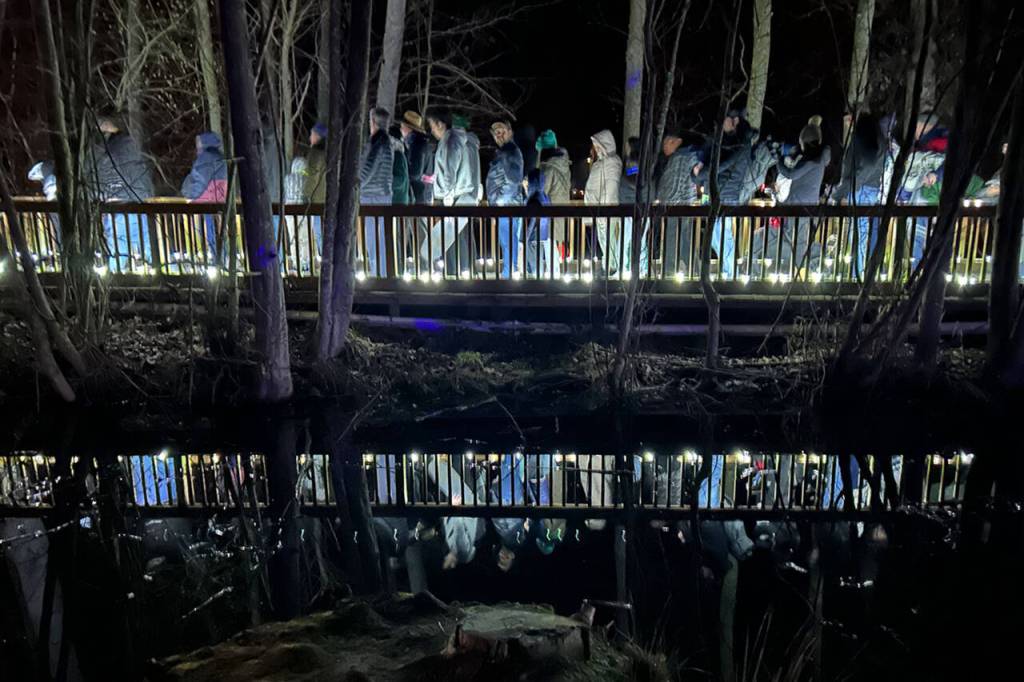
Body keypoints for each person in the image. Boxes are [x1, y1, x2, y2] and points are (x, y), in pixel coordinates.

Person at [695, 109, 756, 278]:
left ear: (735, 121)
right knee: (715, 236)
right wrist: (700, 170)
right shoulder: (723, 141)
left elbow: (721, 166)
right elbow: (707, 159)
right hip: (713, 193)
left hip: (726, 194)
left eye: (725, 120)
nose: (721, 124)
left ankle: (731, 273)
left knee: (721, 235)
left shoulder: (741, 143)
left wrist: (702, 172)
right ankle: (730, 271)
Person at [769, 115, 831, 276]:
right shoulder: (818, 159)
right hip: (805, 205)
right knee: (797, 241)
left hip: (799, 207)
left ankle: (797, 274)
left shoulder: (812, 162)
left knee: (798, 243)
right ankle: (796, 271)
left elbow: (790, 173)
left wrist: (778, 160)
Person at [93, 115, 153, 271]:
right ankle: (154, 274)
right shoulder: (131, 148)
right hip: (139, 202)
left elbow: (103, 177)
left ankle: (117, 278)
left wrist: (100, 195)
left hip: (118, 203)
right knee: (145, 242)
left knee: (119, 247)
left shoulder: (109, 152)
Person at [422, 108, 477, 275]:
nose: (431, 130)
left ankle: (454, 274)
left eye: (432, 125)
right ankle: (464, 271)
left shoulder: (450, 141)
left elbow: (450, 172)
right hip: (460, 197)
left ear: (440, 124)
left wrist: (447, 198)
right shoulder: (460, 141)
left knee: (450, 240)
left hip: (453, 199)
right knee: (457, 238)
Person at [834, 111, 886, 275]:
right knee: (858, 232)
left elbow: (864, 167)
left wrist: (842, 191)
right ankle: (856, 272)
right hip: (867, 189)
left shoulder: (865, 140)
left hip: (861, 189)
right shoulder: (877, 140)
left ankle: (857, 274)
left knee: (858, 232)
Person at [656, 127, 700, 277]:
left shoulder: (679, 159)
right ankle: (695, 271)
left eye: (668, 142)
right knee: (685, 239)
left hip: (676, 206)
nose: (665, 146)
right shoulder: (688, 156)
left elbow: (673, 186)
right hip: (685, 205)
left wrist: (663, 200)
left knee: (672, 239)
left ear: (678, 142)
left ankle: (669, 273)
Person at [181, 131, 228, 267]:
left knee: (210, 232)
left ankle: (217, 262)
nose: (196, 145)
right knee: (217, 232)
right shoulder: (219, 157)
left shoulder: (206, 158)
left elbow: (198, 180)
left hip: (207, 201)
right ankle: (221, 259)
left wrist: (190, 195)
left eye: (198, 142)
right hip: (218, 200)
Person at [359, 107, 395, 276]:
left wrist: (355, 184)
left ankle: (378, 274)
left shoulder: (378, 141)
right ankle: (380, 272)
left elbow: (368, 169)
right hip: (381, 194)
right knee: (379, 237)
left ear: (373, 122)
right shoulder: (385, 141)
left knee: (374, 239)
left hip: (373, 195)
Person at [486, 120, 525, 278]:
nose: (499, 135)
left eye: (501, 131)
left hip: (507, 205)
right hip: (507, 204)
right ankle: (511, 271)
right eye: (496, 133)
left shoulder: (510, 152)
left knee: (507, 241)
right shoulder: (506, 151)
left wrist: (498, 201)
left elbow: (513, 181)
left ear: (510, 132)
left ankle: (508, 274)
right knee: (509, 240)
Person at [584, 129, 623, 274]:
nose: (596, 148)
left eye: (598, 144)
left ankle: (611, 269)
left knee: (609, 240)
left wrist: (606, 209)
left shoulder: (612, 163)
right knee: (604, 240)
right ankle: (609, 268)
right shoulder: (601, 163)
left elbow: (611, 187)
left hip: (606, 210)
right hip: (599, 209)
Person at [536, 129, 571, 274]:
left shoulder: (548, 168)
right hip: (560, 210)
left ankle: (553, 276)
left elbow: (541, 191)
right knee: (555, 243)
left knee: (549, 244)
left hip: (549, 212)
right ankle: (554, 273)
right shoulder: (563, 165)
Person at [27, 161, 60, 256]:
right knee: (58, 227)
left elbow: (49, 187)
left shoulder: (47, 169)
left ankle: (60, 249)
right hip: (54, 201)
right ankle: (60, 249)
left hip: (54, 201)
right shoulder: (50, 167)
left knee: (58, 227)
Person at [400, 112, 433, 204]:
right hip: (423, 193)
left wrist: (402, 175)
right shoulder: (422, 143)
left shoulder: (417, 145)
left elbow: (415, 173)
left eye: (402, 126)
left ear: (408, 128)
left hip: (418, 195)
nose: (401, 129)